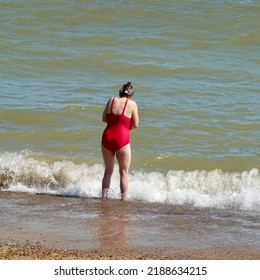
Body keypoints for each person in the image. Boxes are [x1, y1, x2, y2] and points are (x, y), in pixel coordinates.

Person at [101, 81, 139, 200]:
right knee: (124, 172)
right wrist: (125, 129)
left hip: (107, 137)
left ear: (120, 92)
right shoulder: (132, 104)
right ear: (131, 95)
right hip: (122, 138)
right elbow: (136, 124)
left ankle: (104, 197)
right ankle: (123, 200)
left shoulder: (111, 100)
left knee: (108, 171)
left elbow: (103, 118)